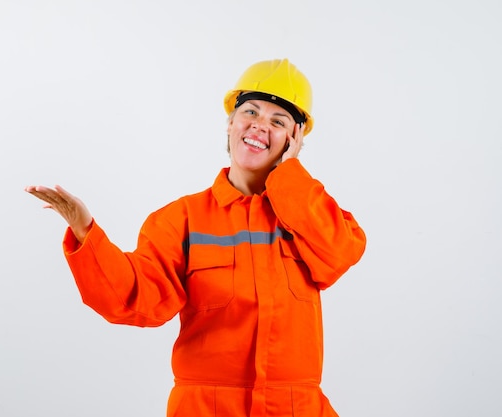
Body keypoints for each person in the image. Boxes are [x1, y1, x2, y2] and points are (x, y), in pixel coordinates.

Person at [25, 58, 366, 417]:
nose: (259, 125)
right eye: (250, 111)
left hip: (296, 408)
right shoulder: (183, 220)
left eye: (278, 121)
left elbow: (341, 252)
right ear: (230, 122)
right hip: (206, 408)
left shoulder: (307, 215)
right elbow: (136, 298)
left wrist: (291, 177)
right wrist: (85, 231)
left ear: (294, 139)